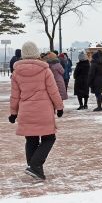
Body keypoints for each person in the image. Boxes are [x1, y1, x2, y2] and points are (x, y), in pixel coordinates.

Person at [8, 41, 64, 180]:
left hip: (26, 111)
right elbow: (53, 91)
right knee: (49, 138)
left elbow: (15, 95)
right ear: (36, 53)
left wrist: (13, 113)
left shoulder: (16, 73)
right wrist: (59, 107)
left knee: (31, 139)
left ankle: (34, 167)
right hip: (43, 111)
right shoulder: (45, 70)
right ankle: (35, 166)